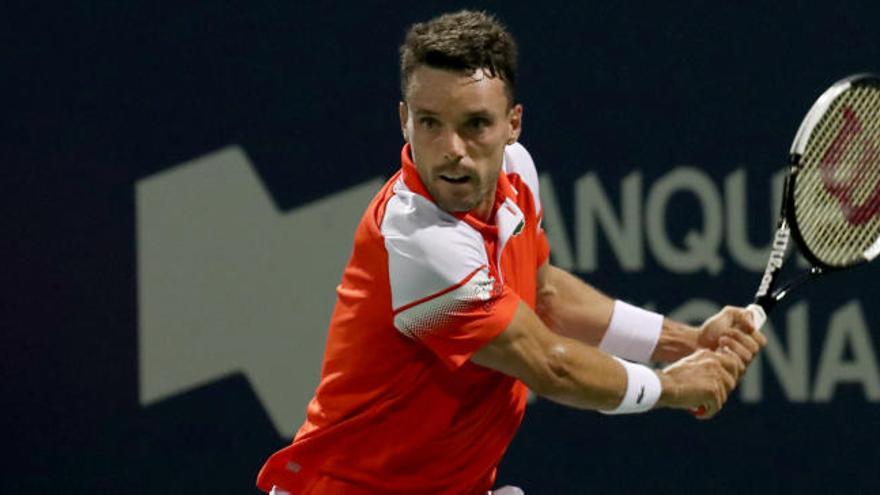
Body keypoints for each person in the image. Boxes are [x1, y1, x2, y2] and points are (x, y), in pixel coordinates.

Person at [256, 10, 766, 495]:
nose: (452, 148)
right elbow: (551, 367)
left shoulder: (515, 172)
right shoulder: (420, 243)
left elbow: (543, 294)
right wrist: (671, 387)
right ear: (404, 122)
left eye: (476, 124)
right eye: (430, 122)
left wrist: (687, 340)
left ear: (512, 124)